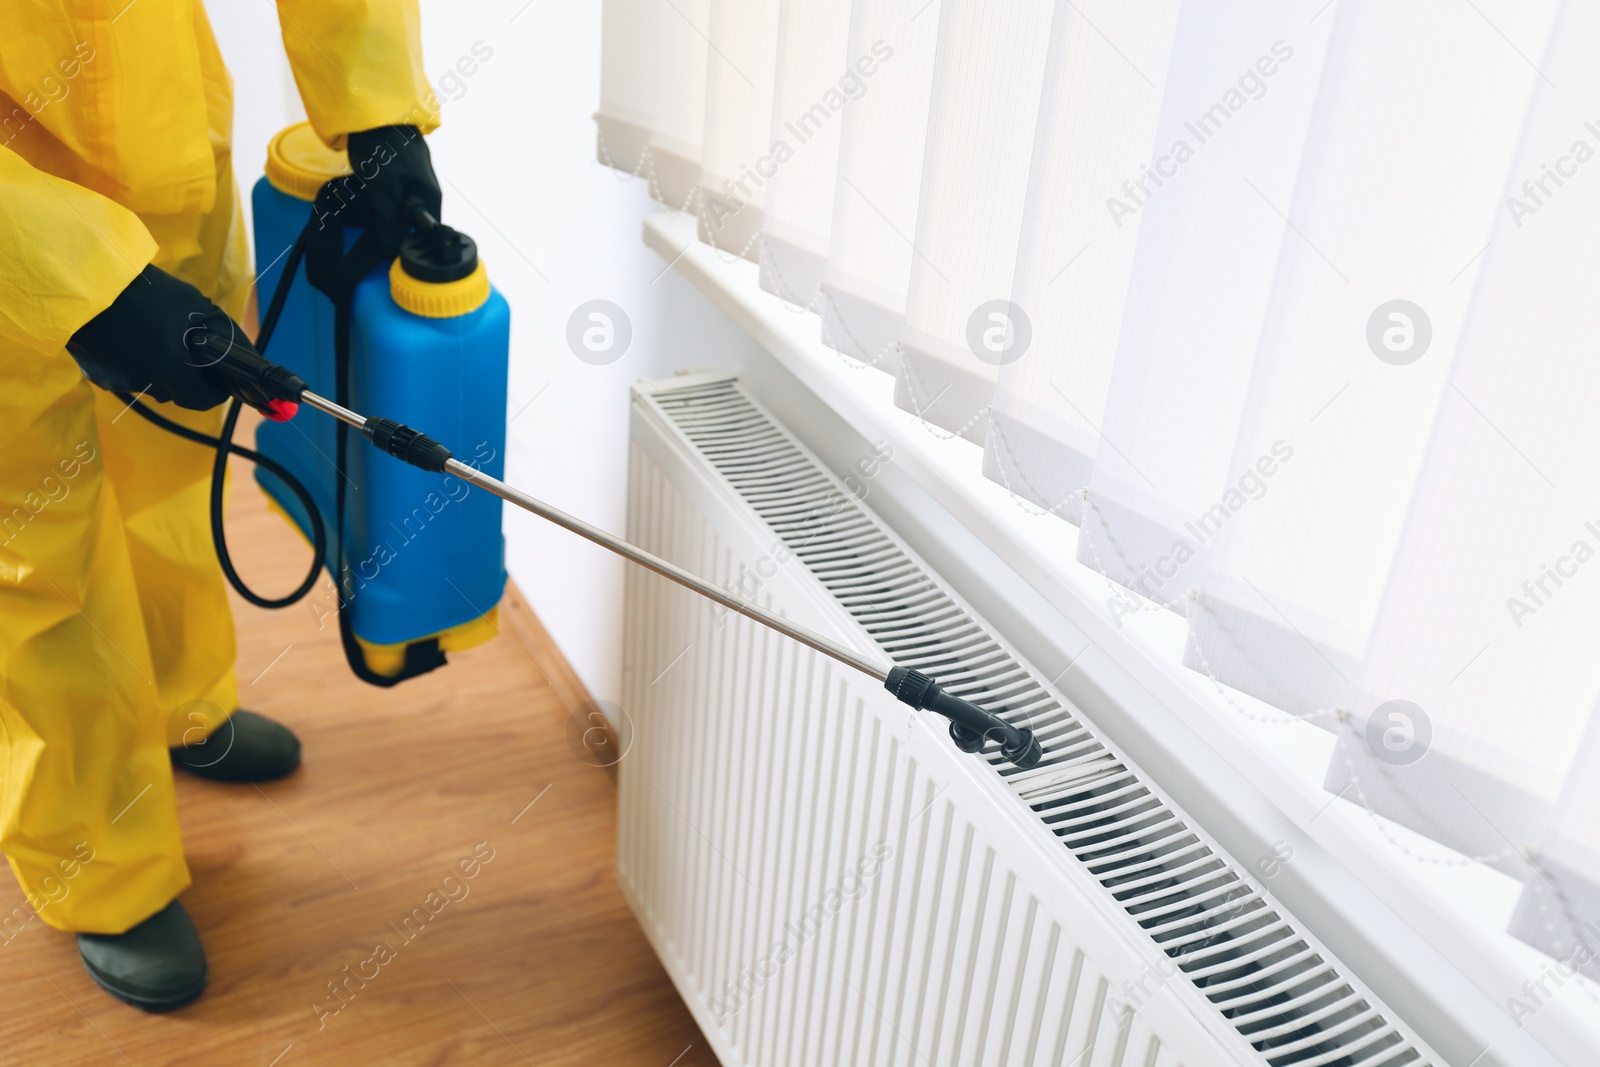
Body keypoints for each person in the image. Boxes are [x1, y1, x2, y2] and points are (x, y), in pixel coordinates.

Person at [0, 2, 443, 1011]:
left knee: (167, 474)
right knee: (35, 558)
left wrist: (373, 108)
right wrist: (67, 272)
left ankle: (178, 709)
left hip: (164, 155)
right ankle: (98, 864)